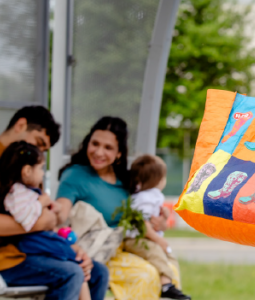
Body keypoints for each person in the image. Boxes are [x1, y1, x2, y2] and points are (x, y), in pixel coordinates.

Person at [0, 105, 108, 300]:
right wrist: (41, 222)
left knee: (98, 273)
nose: (37, 152)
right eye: (38, 142)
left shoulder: (27, 168)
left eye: (43, 150)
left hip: (25, 249)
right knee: (71, 274)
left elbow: (47, 220)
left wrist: (72, 249)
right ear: (21, 124)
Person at [56, 117, 171, 300]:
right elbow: (59, 216)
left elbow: (144, 215)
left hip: (129, 247)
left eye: (108, 148)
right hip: (97, 251)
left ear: (119, 154)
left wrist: (160, 224)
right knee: (145, 275)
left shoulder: (126, 181)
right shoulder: (75, 175)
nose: (99, 152)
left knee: (168, 270)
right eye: (95, 144)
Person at [0, 141, 93, 300]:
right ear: (27, 171)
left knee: (87, 271)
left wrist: (51, 206)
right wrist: (41, 202)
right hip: (31, 244)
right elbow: (24, 218)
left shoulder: (27, 192)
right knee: (75, 271)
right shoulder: (15, 192)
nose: (42, 174)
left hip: (40, 242)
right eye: (40, 168)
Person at [124, 155, 189, 300]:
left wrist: (164, 218)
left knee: (169, 255)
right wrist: (158, 240)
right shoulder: (144, 198)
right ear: (157, 180)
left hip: (147, 239)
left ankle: (174, 287)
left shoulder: (152, 196)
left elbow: (157, 224)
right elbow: (141, 224)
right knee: (156, 252)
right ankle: (166, 286)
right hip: (136, 239)